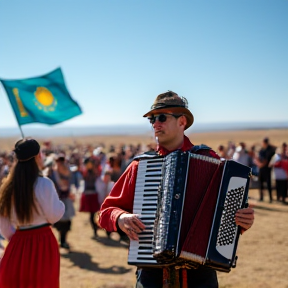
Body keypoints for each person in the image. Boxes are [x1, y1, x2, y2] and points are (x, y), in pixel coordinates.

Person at [99, 91, 254, 288]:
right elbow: (105, 212)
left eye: (162, 117)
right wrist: (120, 218)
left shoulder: (211, 160)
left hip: (200, 275)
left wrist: (242, 221)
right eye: (152, 119)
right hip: (151, 275)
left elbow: (229, 218)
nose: (156, 124)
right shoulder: (140, 166)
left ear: (182, 122)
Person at [0, 138, 64, 288]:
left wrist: (17, 238)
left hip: (17, 243)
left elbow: (3, 223)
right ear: (37, 156)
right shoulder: (44, 183)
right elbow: (54, 215)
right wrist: (60, 204)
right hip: (43, 242)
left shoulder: (7, 187)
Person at [48, 153, 75, 251]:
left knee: (66, 222)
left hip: (66, 199)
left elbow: (70, 182)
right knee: (58, 222)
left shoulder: (66, 171)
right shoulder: (52, 173)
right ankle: (61, 241)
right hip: (56, 200)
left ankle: (63, 241)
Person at [254, 137, 276, 203]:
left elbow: (267, 160)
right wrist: (258, 164)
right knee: (261, 183)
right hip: (261, 169)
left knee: (268, 184)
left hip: (267, 169)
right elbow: (257, 158)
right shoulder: (261, 150)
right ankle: (261, 197)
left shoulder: (269, 150)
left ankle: (270, 198)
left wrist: (261, 164)